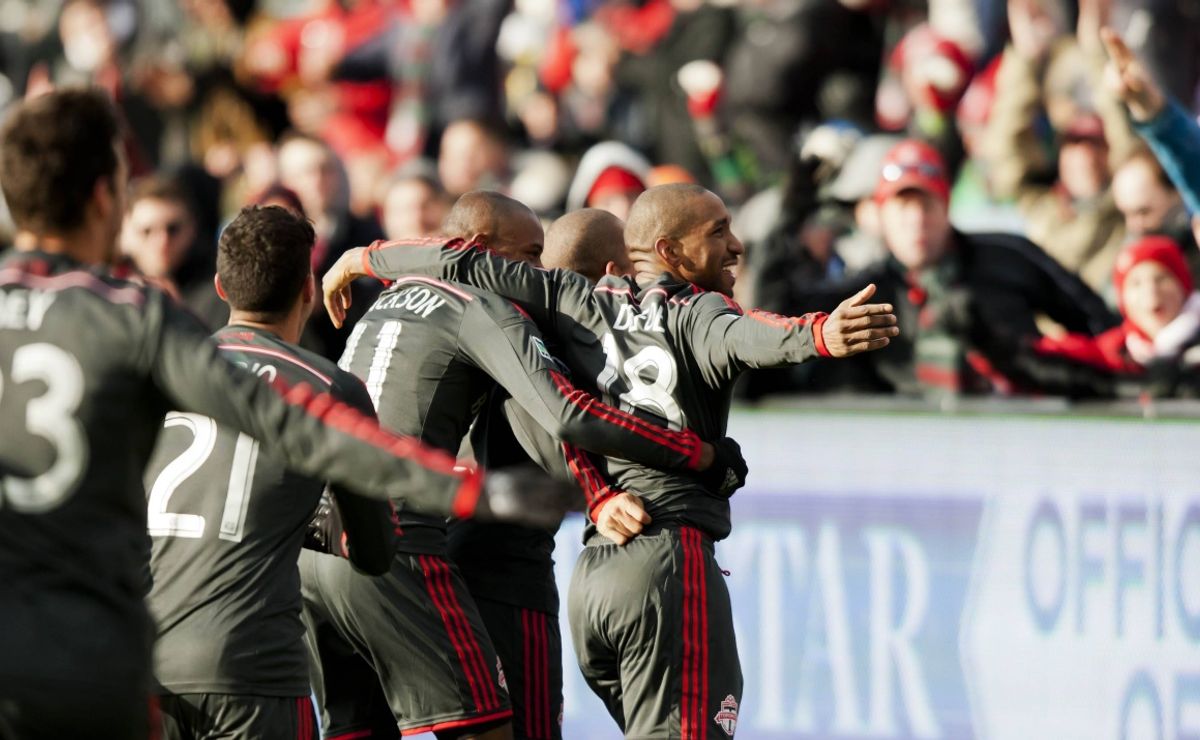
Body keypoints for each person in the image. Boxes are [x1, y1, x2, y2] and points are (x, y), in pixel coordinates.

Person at [0, 88, 569, 740]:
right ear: (106, 198)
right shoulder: (130, 319)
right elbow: (296, 425)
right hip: (171, 663)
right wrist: (475, 490)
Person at [322, 183, 896, 738]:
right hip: (594, 565)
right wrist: (812, 339)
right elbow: (572, 412)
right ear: (629, 267)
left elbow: (454, 267)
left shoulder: (488, 306)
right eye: (719, 231)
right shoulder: (651, 316)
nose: (737, 245)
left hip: (556, 577)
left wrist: (361, 257)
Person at [304, 192, 732, 740]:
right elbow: (567, 415)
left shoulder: (386, 304)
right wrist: (692, 455)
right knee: (495, 731)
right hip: (457, 558)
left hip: (320, 544)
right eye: (530, 255)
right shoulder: (496, 315)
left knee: (355, 730)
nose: (536, 271)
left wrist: (366, 256)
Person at [145, 204, 400, 740]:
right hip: (253, 671)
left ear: (219, 287)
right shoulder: (331, 389)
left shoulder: (163, 373)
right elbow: (376, 552)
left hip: (146, 663)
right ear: (309, 290)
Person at [781, 139, 1119, 396]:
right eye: (902, 208)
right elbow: (781, 328)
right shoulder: (864, 291)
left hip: (1018, 430)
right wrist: (787, 223)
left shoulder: (1006, 254)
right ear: (881, 217)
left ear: (946, 208)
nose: (916, 221)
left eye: (926, 206)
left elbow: (1097, 322)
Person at [977, 235, 1200, 399]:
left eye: (1162, 278)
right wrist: (991, 345)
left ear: (1184, 285)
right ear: (1122, 298)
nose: (1151, 293)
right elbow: (1053, 356)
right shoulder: (1113, 351)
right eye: (1136, 283)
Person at [118, 174, 228, 329]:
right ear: (125, 235)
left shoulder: (219, 294)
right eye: (147, 231)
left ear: (193, 228)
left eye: (173, 229)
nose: (162, 242)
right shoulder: (110, 295)